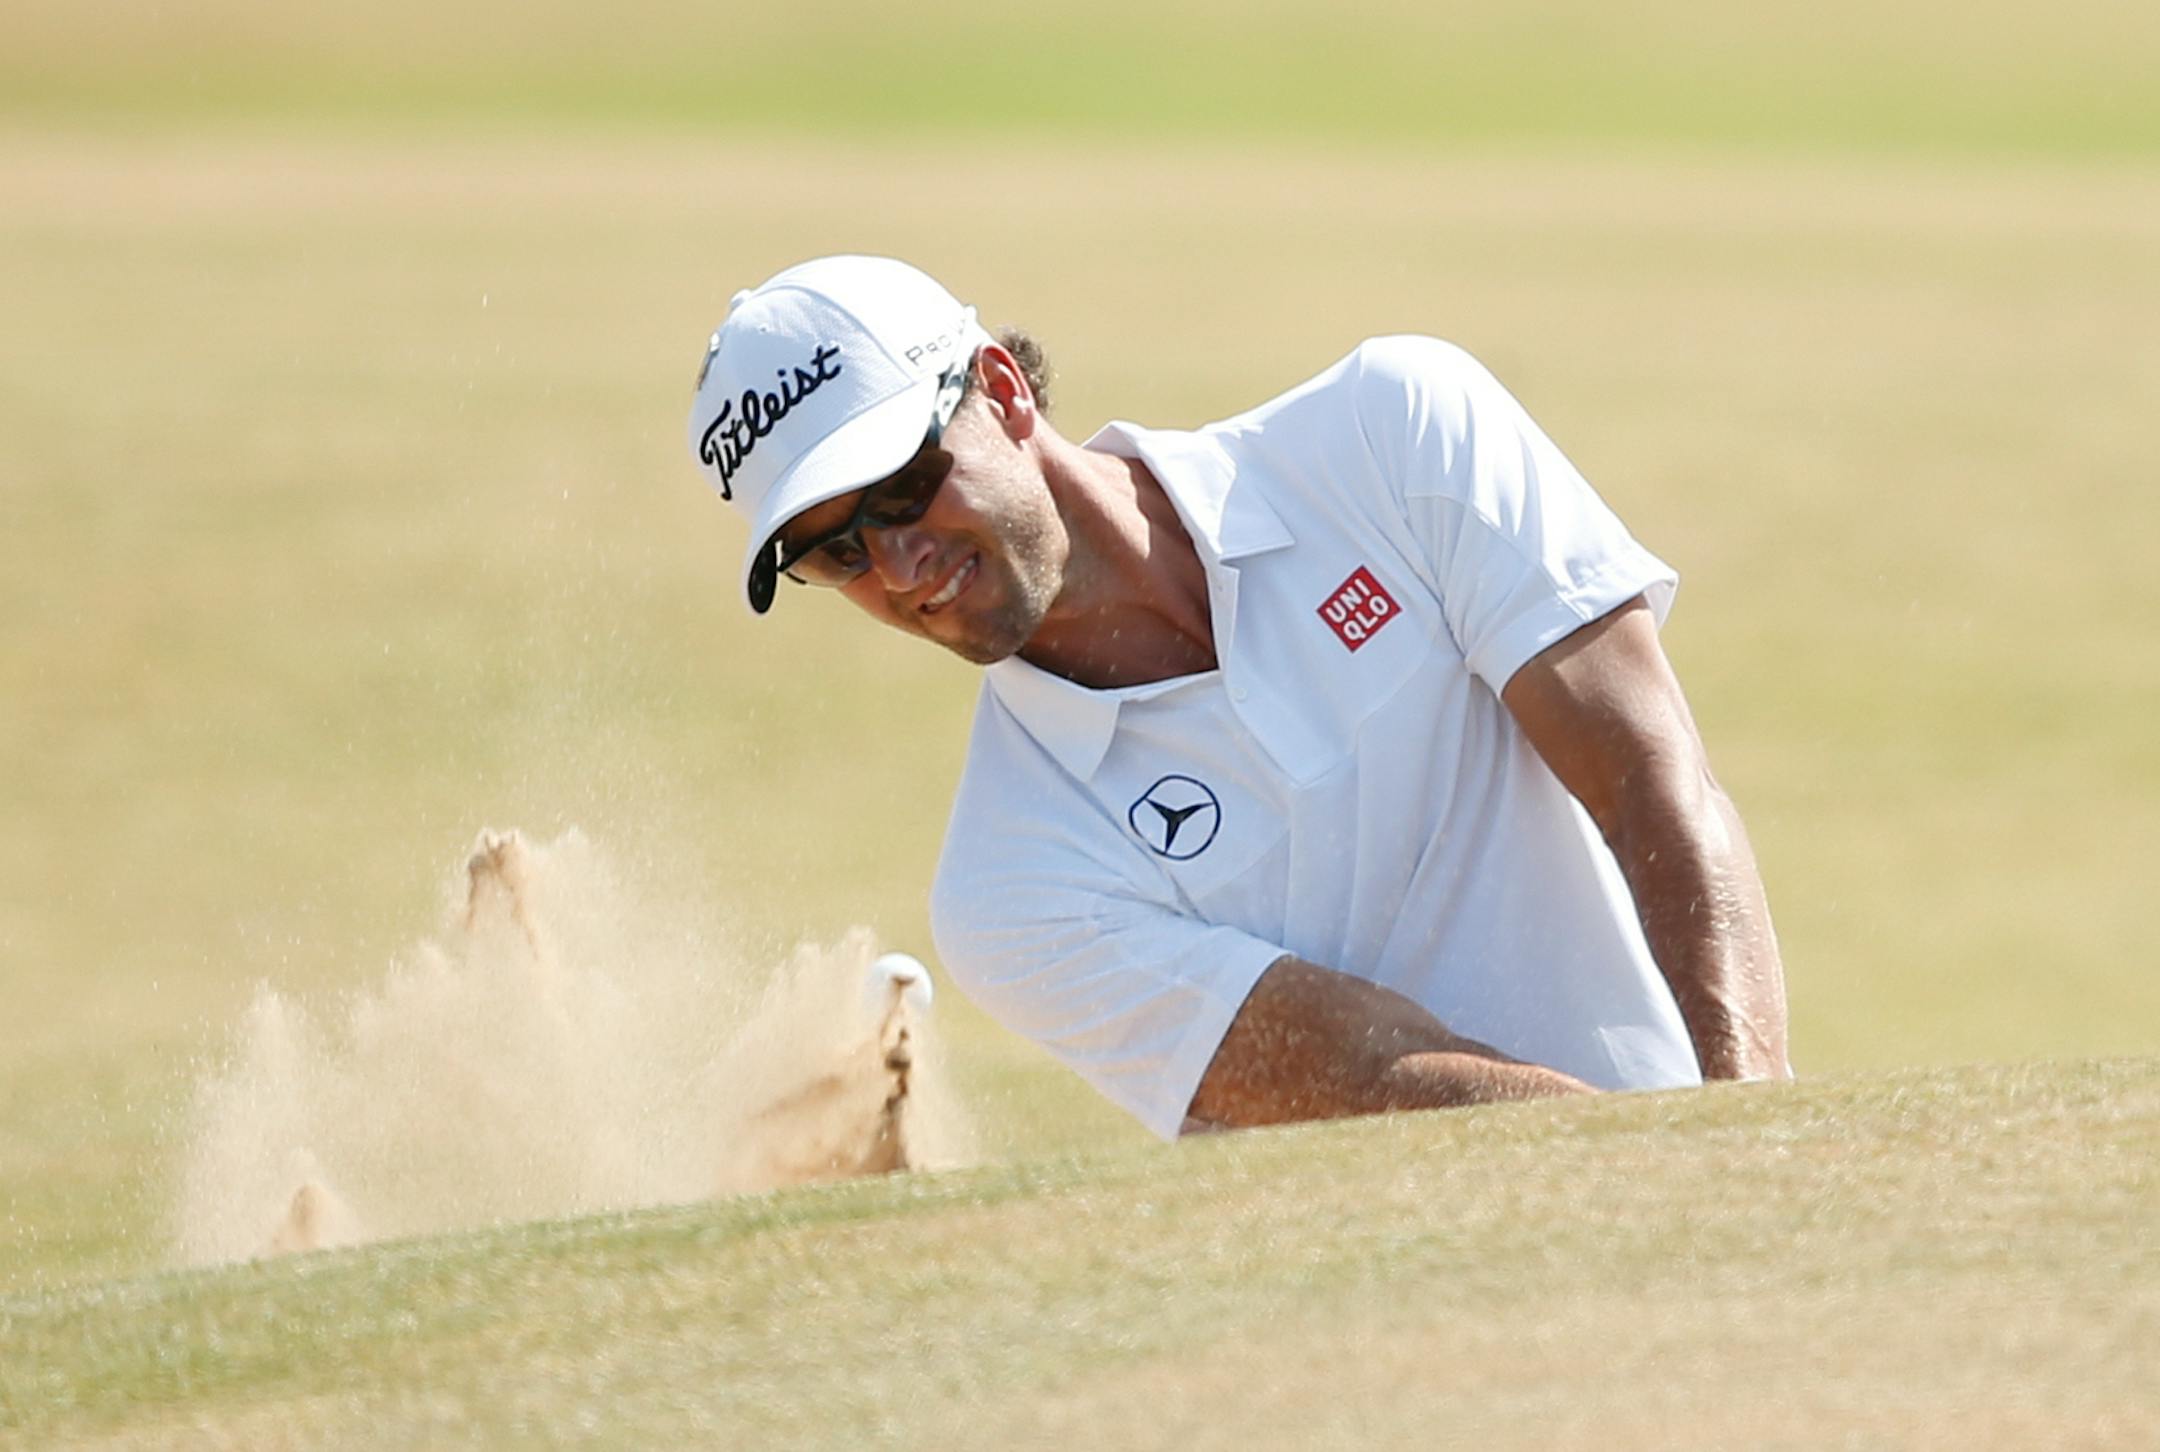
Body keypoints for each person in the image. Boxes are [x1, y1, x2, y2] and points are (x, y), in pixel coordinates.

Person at [684, 255, 1790, 1142]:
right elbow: (1372, 1074)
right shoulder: (1010, 886)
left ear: (1004, 393)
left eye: (904, 488)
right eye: (833, 554)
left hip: (1685, 1181)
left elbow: (1652, 784)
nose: (900, 563)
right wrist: (1669, 1186)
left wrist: (1744, 1142)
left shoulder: (1393, 433)